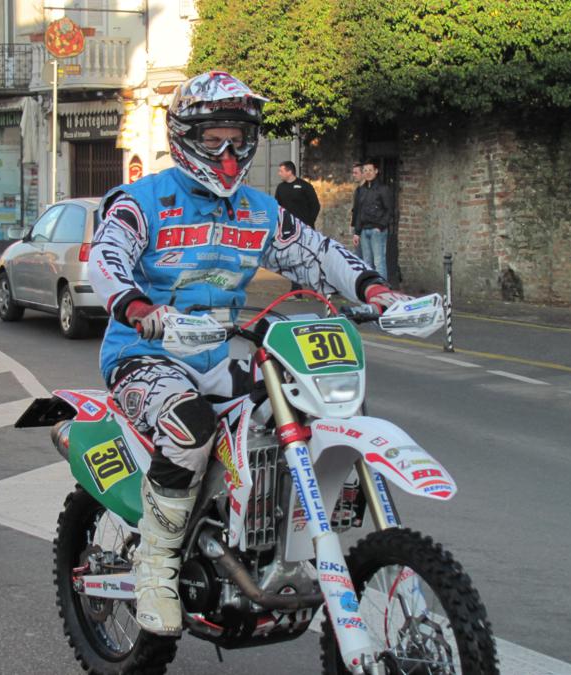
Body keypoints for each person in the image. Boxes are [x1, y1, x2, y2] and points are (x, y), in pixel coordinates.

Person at [88, 71, 405, 636]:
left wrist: (376, 290)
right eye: (214, 141)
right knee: (189, 426)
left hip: (220, 350)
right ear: (185, 138)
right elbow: (106, 256)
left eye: (238, 139)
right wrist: (137, 307)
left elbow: (318, 254)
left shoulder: (259, 210)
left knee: (297, 411)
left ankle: (260, 536)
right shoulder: (141, 200)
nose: (229, 155)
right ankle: (156, 567)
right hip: (146, 350)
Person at [275, 160, 321, 292]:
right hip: (289, 230)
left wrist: (309, 223)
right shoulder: (281, 188)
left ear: (289, 171)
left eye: (281, 171)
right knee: (292, 259)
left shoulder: (304, 186)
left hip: (305, 229)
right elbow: (277, 207)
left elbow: (315, 205)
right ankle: (296, 290)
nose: (279, 173)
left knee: (309, 258)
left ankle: (318, 288)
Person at [351, 160, 391, 279]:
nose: (368, 173)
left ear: (376, 171)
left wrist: (380, 226)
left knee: (379, 262)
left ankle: (382, 287)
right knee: (367, 263)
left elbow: (389, 210)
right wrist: (357, 232)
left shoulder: (383, 189)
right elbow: (359, 212)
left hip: (377, 230)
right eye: (365, 170)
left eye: (370, 170)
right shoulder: (361, 190)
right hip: (364, 230)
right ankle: (370, 287)